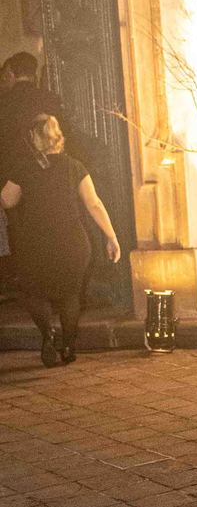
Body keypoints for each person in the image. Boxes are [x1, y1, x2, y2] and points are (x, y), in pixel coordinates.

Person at [0, 113, 121, 367]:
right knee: (70, 295)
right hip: (72, 243)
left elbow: (7, 200)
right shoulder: (74, 166)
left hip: (36, 243)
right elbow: (94, 204)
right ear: (58, 137)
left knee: (34, 292)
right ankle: (68, 346)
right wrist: (111, 236)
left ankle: (48, 335)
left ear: (34, 137)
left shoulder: (23, 168)